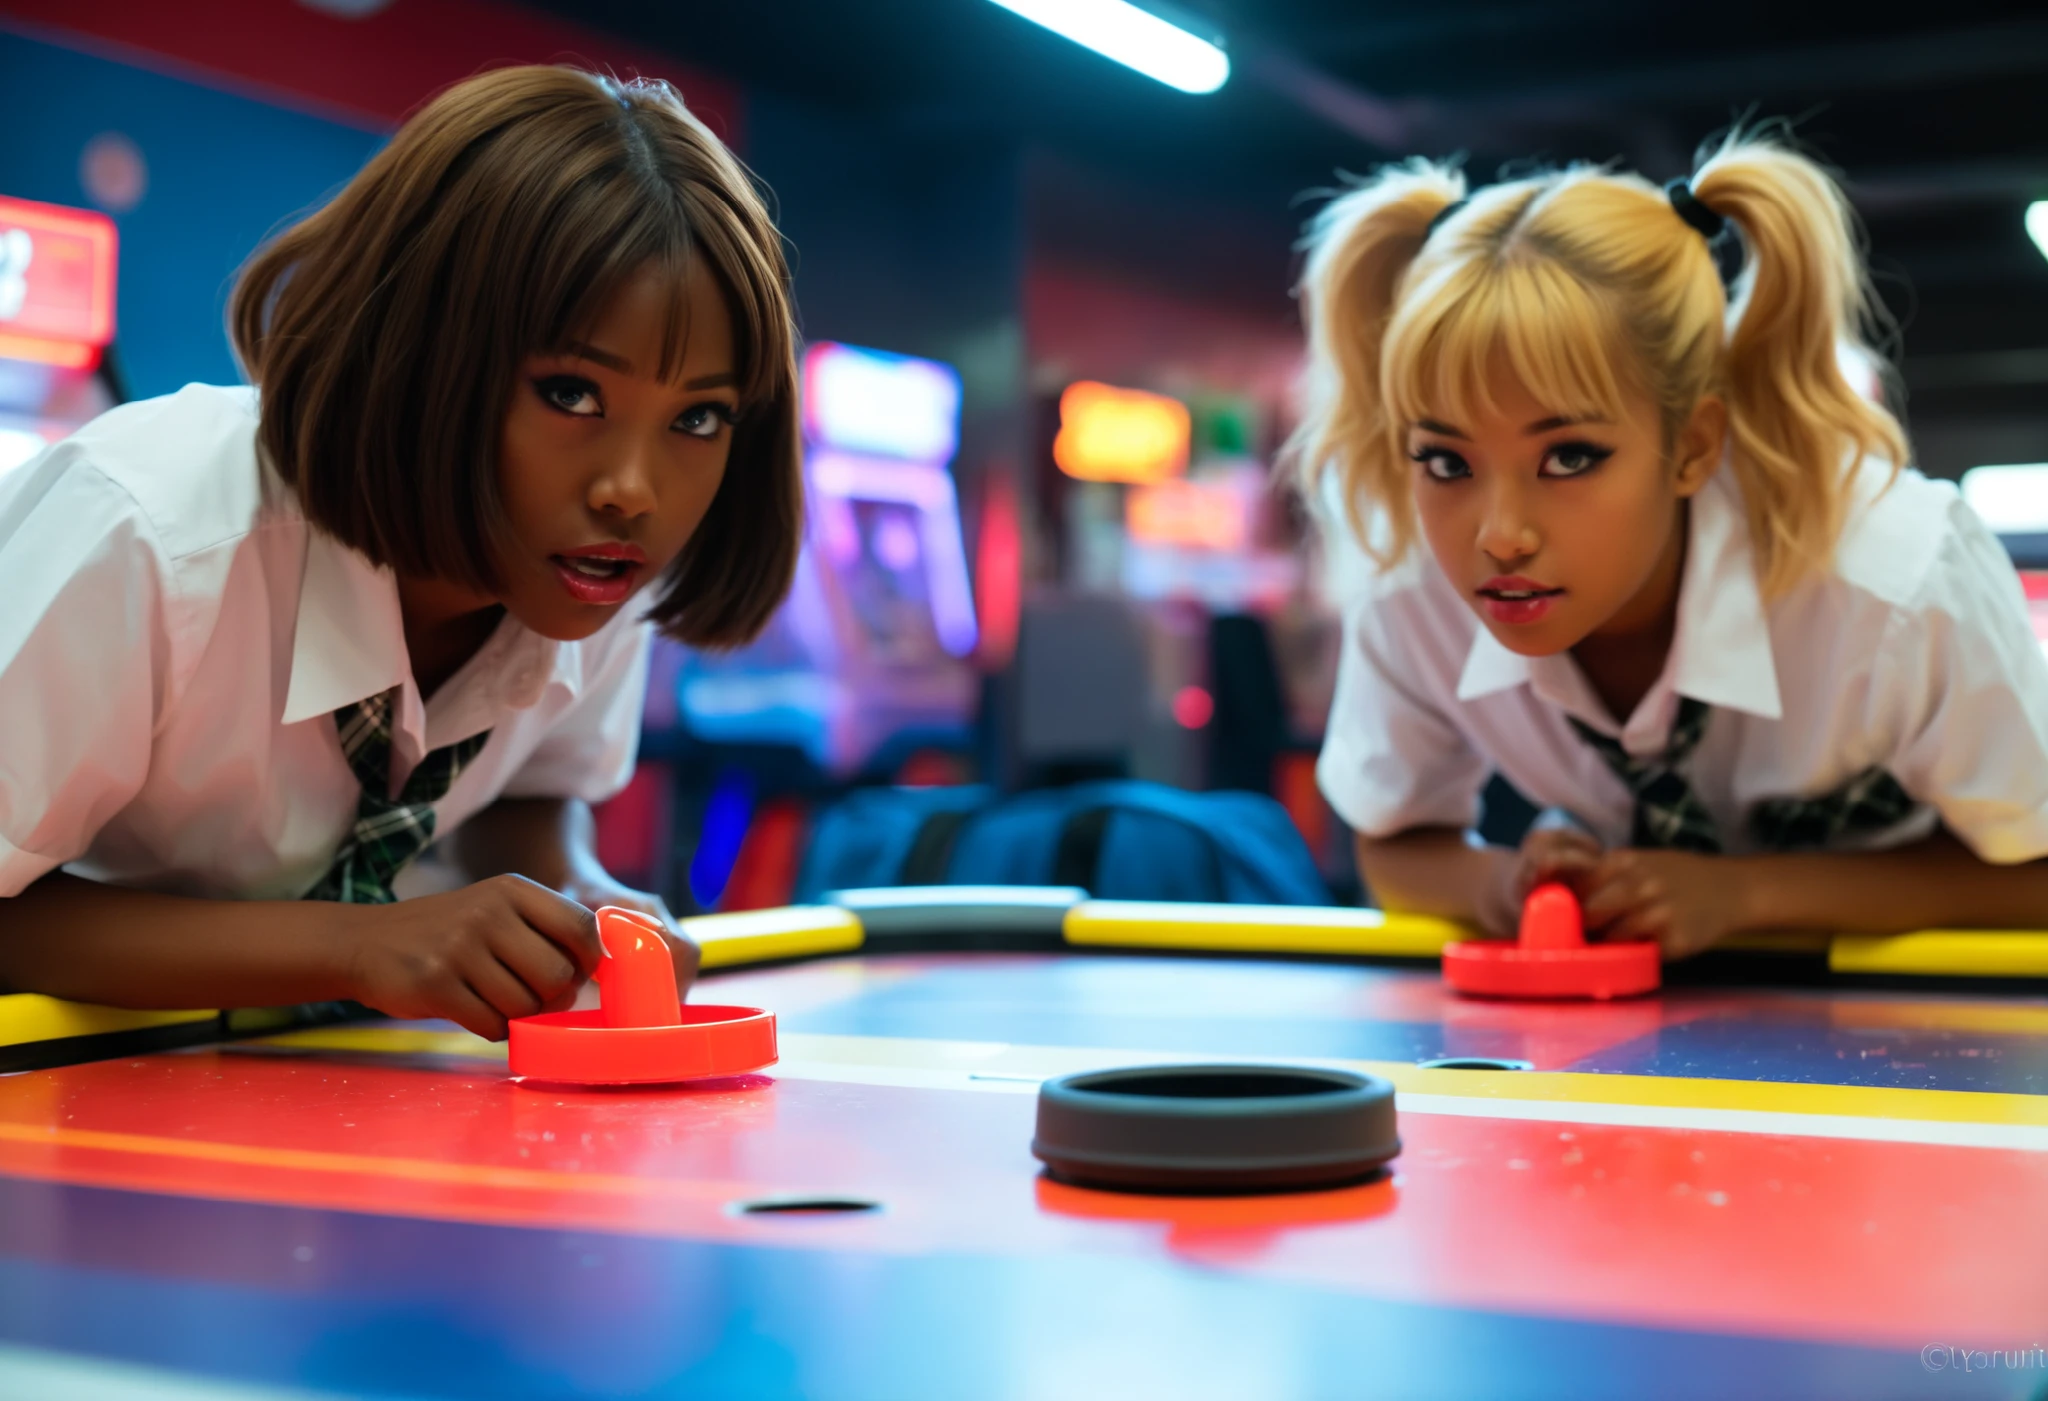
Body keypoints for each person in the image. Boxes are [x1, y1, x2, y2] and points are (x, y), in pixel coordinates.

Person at [0, 66, 801, 1037]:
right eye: (572, 394)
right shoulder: (148, 533)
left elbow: (527, 793)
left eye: (699, 417)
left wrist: (578, 891)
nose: (633, 491)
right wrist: (354, 946)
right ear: (421, 349)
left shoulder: (591, 573)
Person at [1296, 135, 2048, 957]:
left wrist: (1746, 894)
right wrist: (1501, 885)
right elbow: (1391, 842)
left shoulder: (1897, 580)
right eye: (1447, 461)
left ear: (1693, 445)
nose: (1499, 536)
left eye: (1569, 457)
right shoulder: (1409, 582)